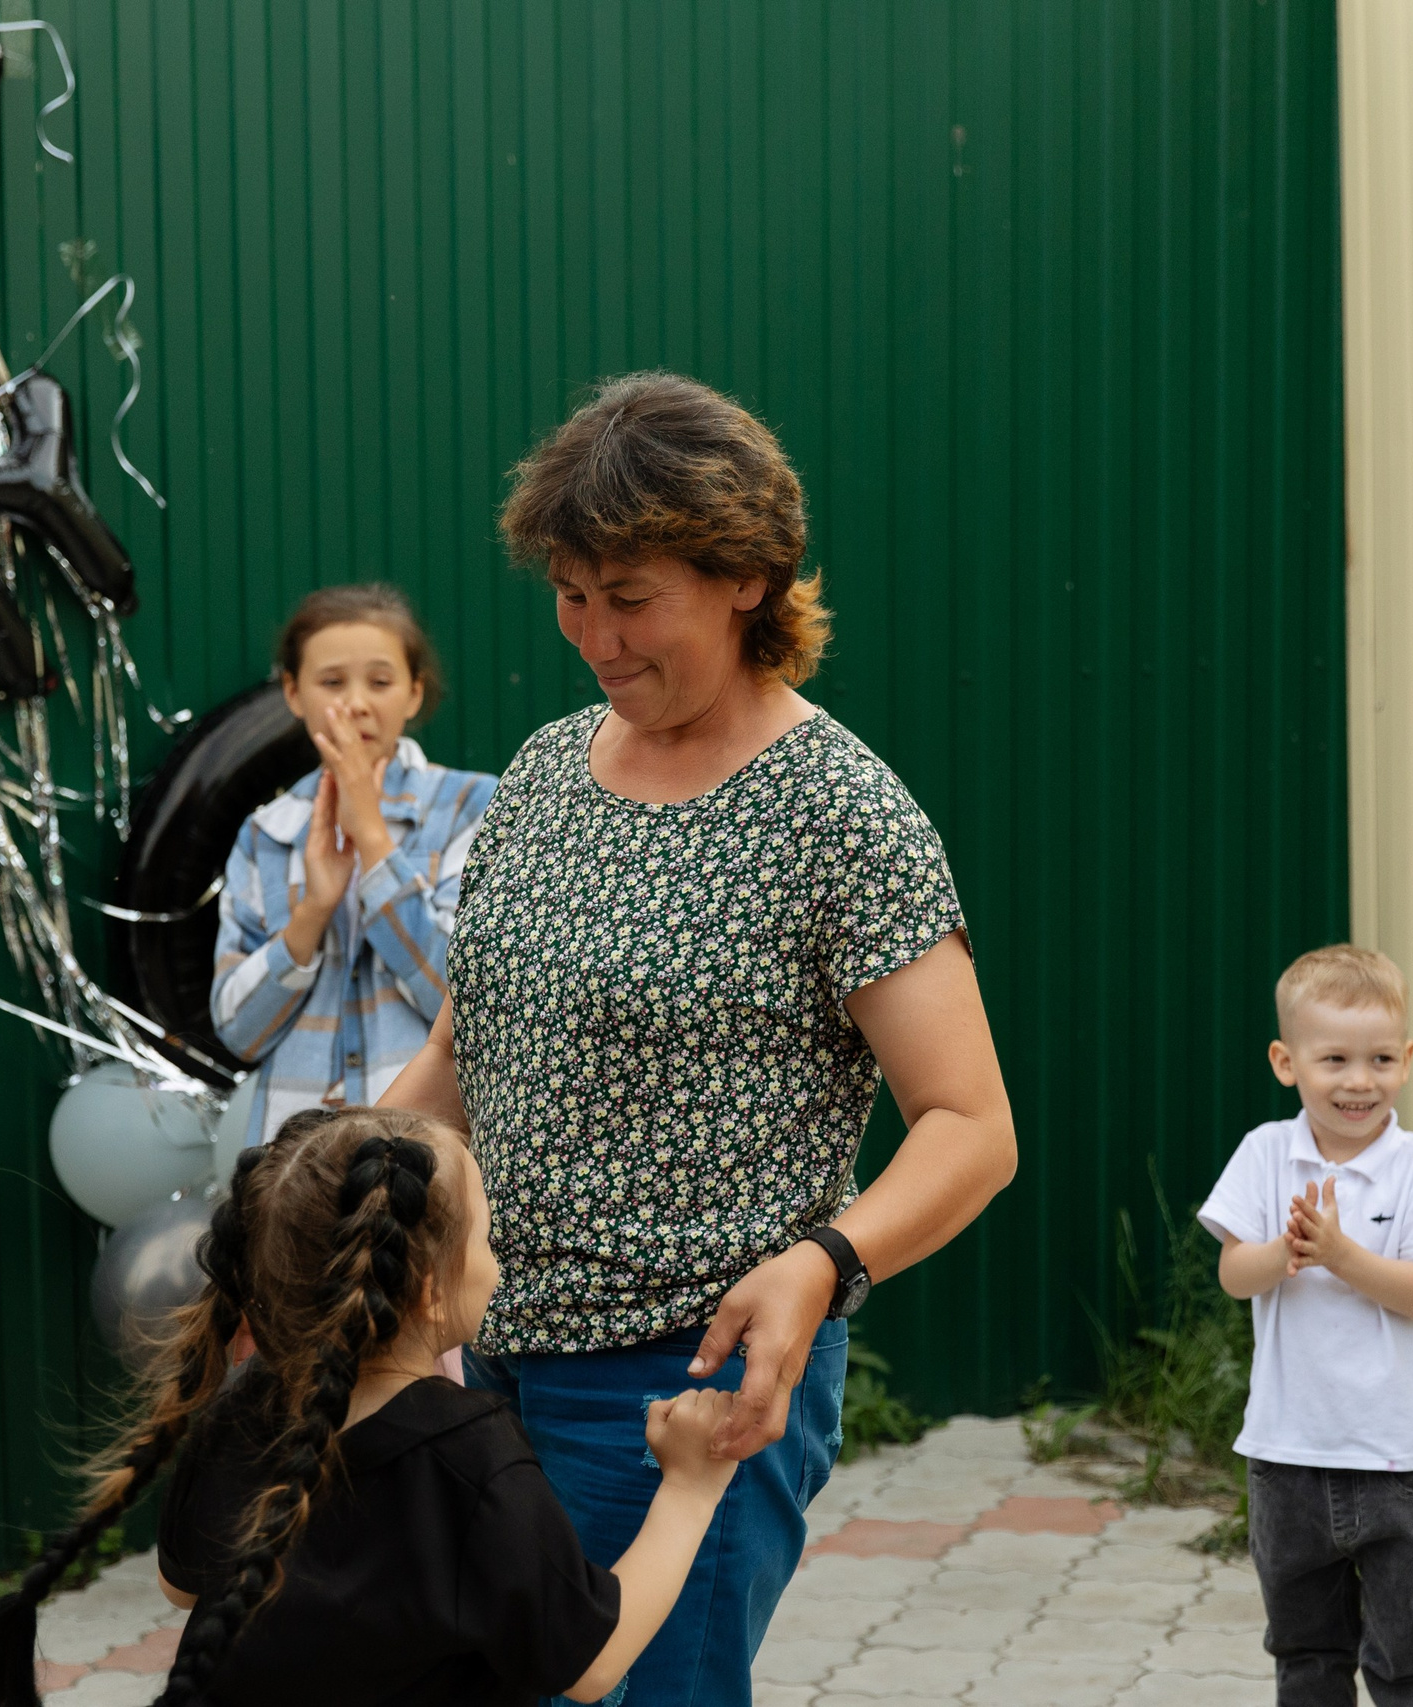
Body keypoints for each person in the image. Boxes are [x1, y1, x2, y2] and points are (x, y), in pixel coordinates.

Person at [381, 371, 1017, 1707]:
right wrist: (339, 1203)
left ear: (746, 577)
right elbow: (460, 1054)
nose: (594, 635)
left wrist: (822, 1260)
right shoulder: (549, 769)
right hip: (483, 1360)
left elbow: (971, 1126)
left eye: (630, 595)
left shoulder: (841, 810)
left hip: (686, 1388)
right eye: (570, 591)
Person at [0, 1107, 743, 1707]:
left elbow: (185, 1587)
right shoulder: (473, 1457)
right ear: (429, 1288)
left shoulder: (243, 1408)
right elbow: (593, 1662)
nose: (497, 1261)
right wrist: (690, 1485)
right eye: (488, 1239)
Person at [1197, 945, 1413, 1707]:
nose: (1360, 1080)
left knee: (1410, 1655)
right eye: (1336, 1059)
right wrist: (1284, 1252)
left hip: (1400, 1462)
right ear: (1287, 1061)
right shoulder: (1265, 1153)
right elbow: (1232, 1274)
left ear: (1408, 1059)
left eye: (1381, 1057)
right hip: (1287, 1456)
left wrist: (1343, 1254)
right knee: (1307, 1651)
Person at [209, 584, 497, 1149]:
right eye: (332, 682)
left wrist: (372, 840)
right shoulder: (267, 833)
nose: (358, 702)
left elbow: (467, 1003)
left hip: (428, 1157)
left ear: (414, 693)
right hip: (294, 1165)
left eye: (381, 681)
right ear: (294, 693)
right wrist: (313, 910)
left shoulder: (472, 808)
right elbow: (239, 1033)